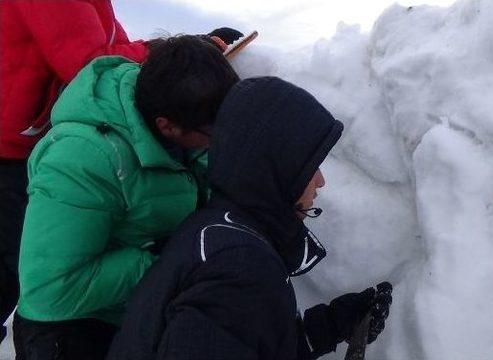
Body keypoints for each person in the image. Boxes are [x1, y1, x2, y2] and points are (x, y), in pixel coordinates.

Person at [0, 1, 243, 343]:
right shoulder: (84, 158)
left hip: (33, 139)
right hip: (13, 149)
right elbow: (90, 64)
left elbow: (111, 57)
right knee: (29, 271)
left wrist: (182, 62)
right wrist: (161, 263)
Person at [108, 77, 393, 359]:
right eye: (311, 166)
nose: (320, 182)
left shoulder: (218, 229)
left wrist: (329, 326)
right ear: (279, 167)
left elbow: (246, 339)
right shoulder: (239, 267)